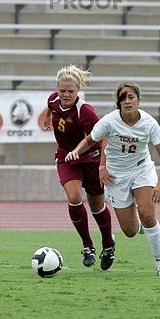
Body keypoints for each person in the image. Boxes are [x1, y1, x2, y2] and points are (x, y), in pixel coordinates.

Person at [64, 82, 160, 277]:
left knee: (148, 214)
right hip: (116, 176)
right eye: (123, 98)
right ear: (118, 102)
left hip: (141, 170)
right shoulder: (109, 121)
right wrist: (78, 153)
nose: (127, 101)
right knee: (130, 231)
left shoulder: (149, 123)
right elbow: (91, 140)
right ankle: (138, 225)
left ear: (138, 100)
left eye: (131, 97)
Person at [42, 64, 116, 270]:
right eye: (62, 90)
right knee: (74, 198)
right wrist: (48, 116)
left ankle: (108, 243)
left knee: (97, 208)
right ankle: (87, 245)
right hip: (67, 159)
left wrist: (102, 166)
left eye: (70, 91)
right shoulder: (53, 100)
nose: (65, 95)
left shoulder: (86, 111)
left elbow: (101, 139)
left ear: (78, 91)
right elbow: (50, 105)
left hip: (91, 160)